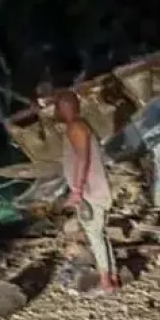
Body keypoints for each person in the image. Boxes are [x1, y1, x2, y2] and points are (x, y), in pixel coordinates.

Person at [54, 90, 119, 293]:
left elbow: (83, 158)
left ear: (64, 108)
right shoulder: (79, 125)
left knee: (94, 234)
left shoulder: (76, 128)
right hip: (90, 188)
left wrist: (78, 190)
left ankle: (106, 283)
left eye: (58, 107)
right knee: (98, 233)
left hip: (90, 189)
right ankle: (112, 277)